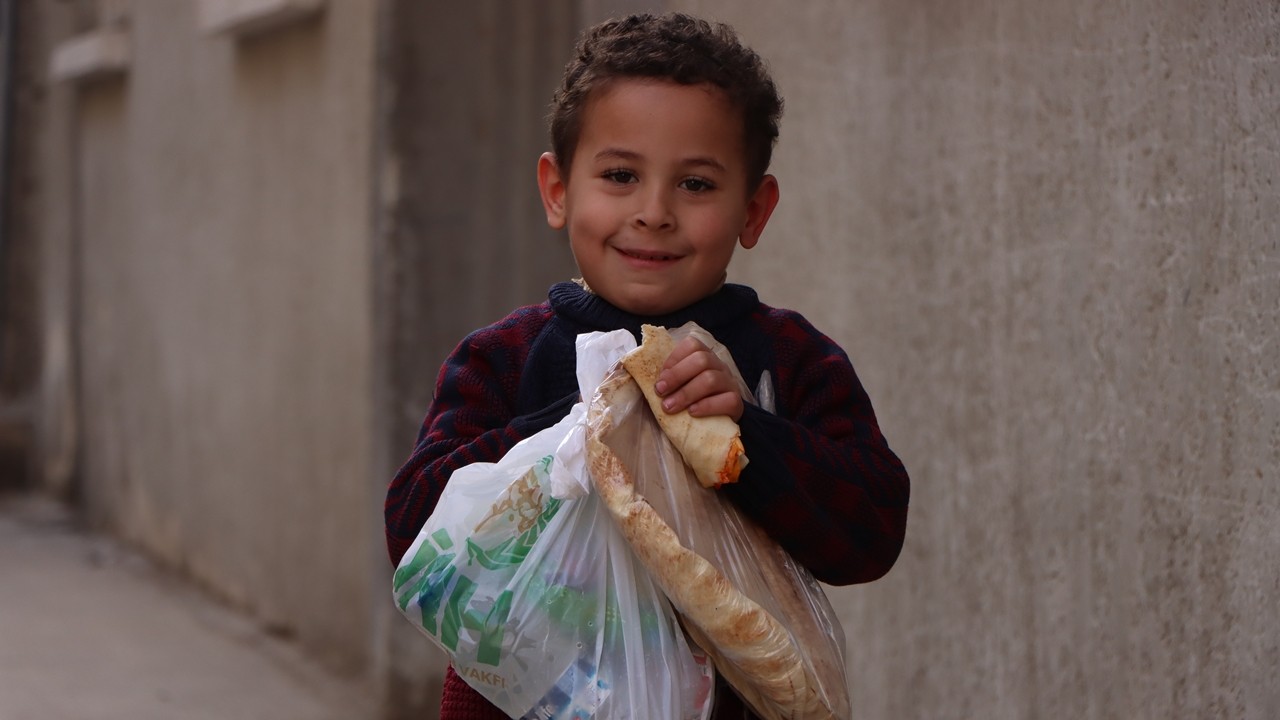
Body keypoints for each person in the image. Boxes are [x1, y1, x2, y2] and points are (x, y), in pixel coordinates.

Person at [384, 12, 910, 720]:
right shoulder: (505, 359)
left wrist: (747, 437)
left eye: (695, 184)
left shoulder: (783, 362)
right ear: (558, 190)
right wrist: (581, 426)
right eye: (620, 175)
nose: (654, 211)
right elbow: (413, 533)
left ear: (754, 210)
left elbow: (871, 533)